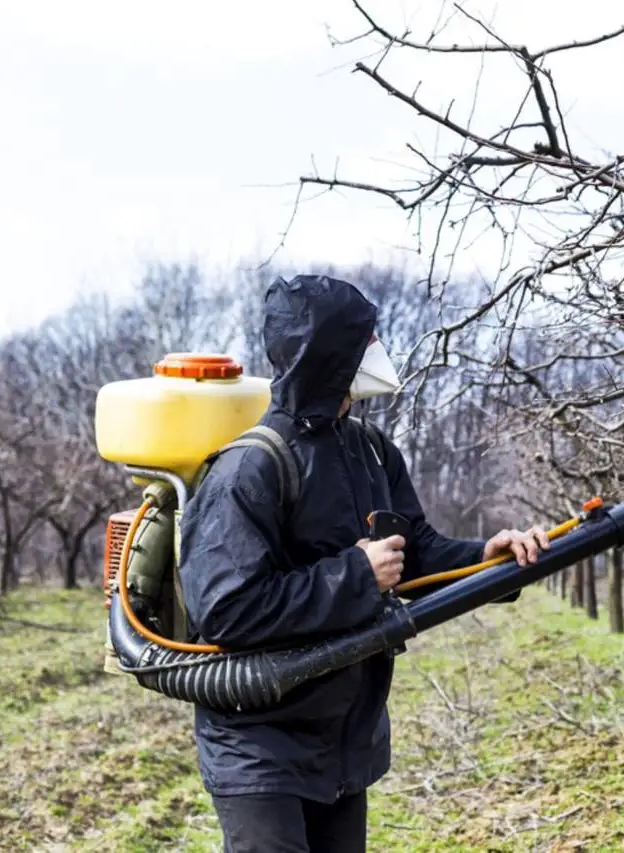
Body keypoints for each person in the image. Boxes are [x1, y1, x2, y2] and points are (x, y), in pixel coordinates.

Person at [178, 274, 550, 853]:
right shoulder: (249, 469)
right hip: (259, 746)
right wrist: (355, 575)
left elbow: (415, 555)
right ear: (329, 355)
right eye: (364, 341)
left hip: (344, 738)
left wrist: (486, 558)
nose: (376, 352)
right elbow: (227, 610)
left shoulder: (372, 449)